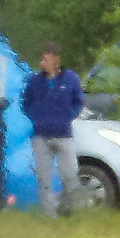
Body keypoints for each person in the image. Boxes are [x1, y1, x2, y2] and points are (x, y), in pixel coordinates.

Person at [21, 42, 83, 217]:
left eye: (46, 59)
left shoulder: (70, 78)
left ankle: (66, 208)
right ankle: (50, 214)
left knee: (70, 175)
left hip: (64, 134)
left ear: (56, 59)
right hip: (41, 136)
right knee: (44, 178)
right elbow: (26, 102)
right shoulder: (35, 81)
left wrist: (67, 116)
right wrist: (37, 117)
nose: (43, 63)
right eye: (41, 59)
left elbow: (78, 101)